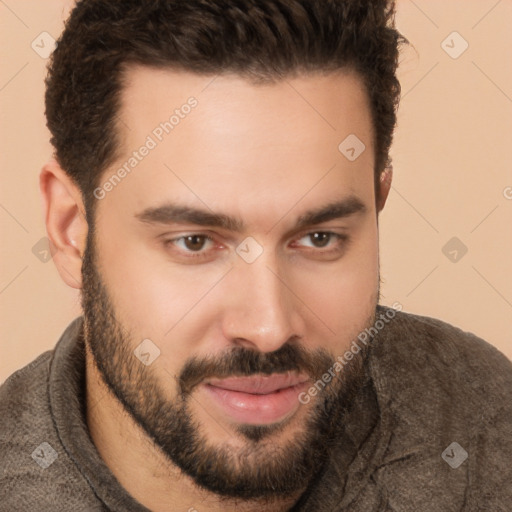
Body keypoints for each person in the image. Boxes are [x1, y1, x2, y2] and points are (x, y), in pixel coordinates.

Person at [1, 1, 511, 511]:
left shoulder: (487, 428)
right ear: (72, 230)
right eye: (195, 242)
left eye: (318, 238)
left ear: (378, 204)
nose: (268, 329)